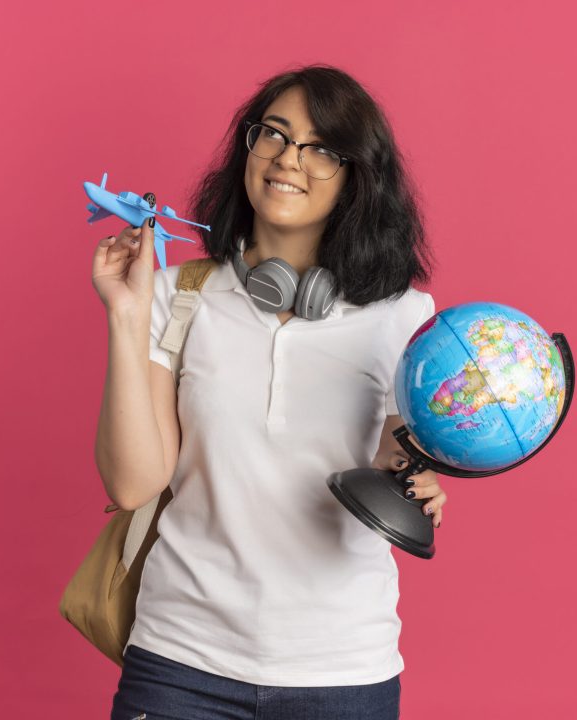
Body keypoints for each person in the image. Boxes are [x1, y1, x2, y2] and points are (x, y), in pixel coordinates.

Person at [92, 64, 448, 720]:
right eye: (274, 135)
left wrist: (419, 482)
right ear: (247, 149)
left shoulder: (401, 317)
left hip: (344, 669)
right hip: (181, 663)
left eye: (321, 148)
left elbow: (400, 465)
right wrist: (126, 313)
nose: (289, 159)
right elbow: (133, 485)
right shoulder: (179, 296)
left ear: (356, 176)